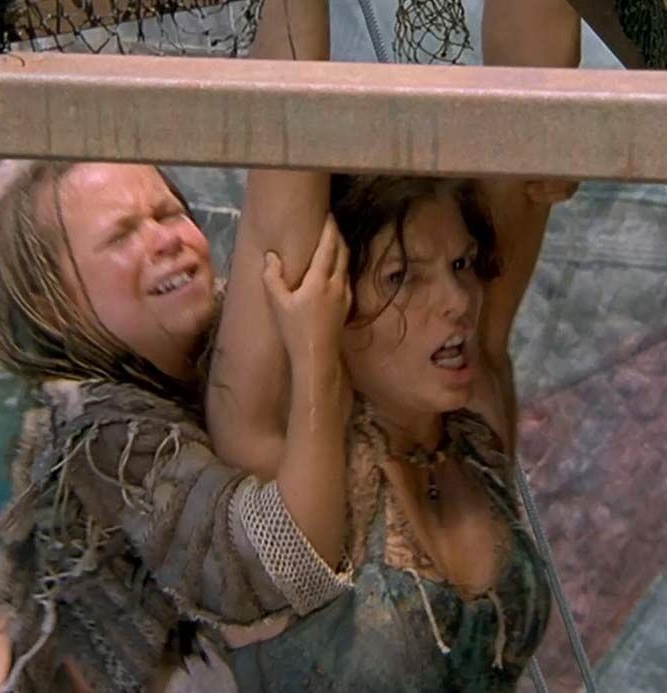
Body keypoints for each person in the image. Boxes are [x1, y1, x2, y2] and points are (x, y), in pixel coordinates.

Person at [206, 0, 581, 689]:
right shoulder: (277, 440)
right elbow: (280, 135)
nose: (458, 301)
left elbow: (533, 85)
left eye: (462, 264)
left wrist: (560, 132)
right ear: (336, 296)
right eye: (402, 277)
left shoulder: (472, 410)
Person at [0, 160, 353, 692]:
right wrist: (316, 357)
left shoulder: (209, 341)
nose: (165, 240)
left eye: (170, 213)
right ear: (51, 304)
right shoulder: (100, 432)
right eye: (121, 235)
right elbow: (276, 570)